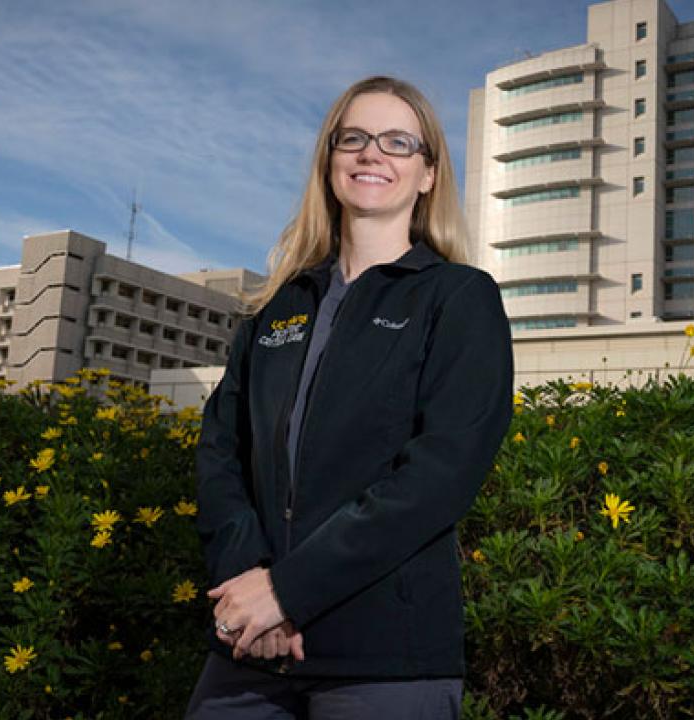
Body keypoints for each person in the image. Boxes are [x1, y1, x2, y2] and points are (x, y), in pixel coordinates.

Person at [186, 75, 513, 719]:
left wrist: (289, 591)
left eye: (398, 141)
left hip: (385, 657)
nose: (372, 154)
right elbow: (220, 452)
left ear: (426, 173)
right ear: (329, 161)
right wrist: (252, 590)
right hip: (249, 646)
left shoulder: (458, 299)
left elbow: (439, 476)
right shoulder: (274, 309)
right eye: (354, 138)